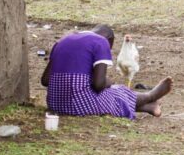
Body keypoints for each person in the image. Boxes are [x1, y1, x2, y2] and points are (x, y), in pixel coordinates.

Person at [41, 25, 172, 119]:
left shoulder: (63, 41)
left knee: (110, 93)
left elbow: (45, 80)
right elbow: (98, 85)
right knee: (115, 91)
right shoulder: (101, 42)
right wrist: (108, 82)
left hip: (55, 104)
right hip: (79, 106)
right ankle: (151, 96)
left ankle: (149, 107)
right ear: (109, 40)